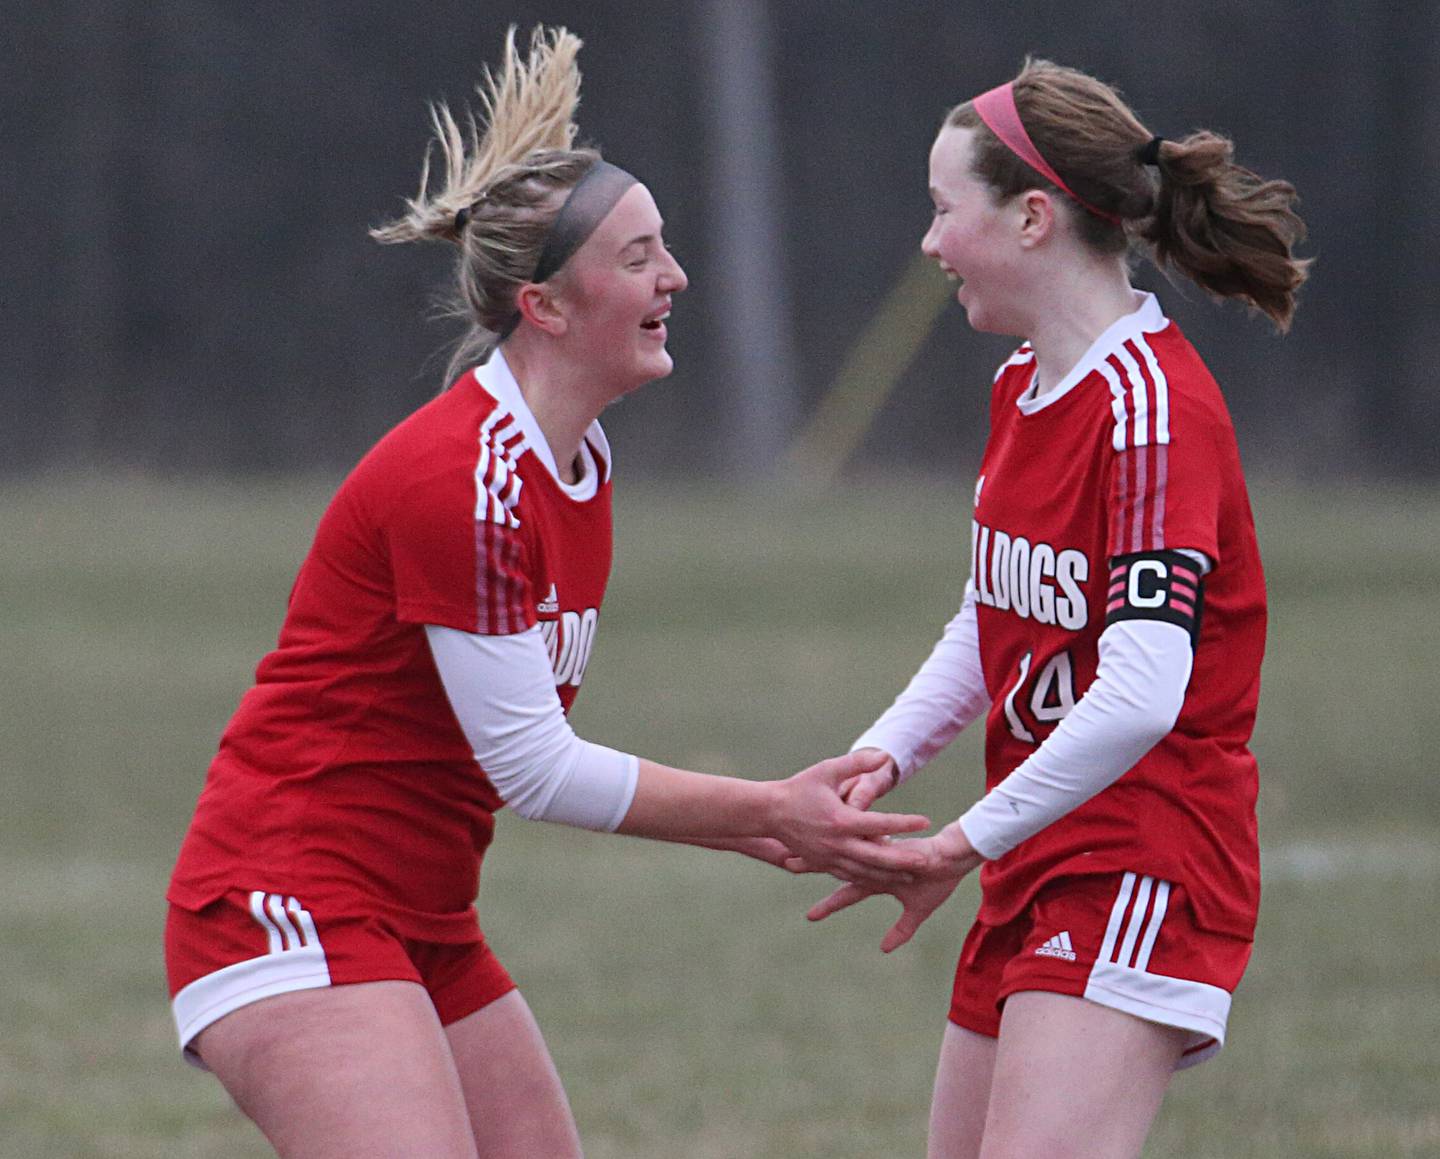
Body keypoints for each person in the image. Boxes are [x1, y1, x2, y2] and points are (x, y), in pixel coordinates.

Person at [163, 26, 929, 1159]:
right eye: (638, 256)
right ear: (547, 308)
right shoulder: (463, 479)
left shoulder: (574, 465)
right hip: (289, 902)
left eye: (664, 248)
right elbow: (534, 767)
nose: (674, 277)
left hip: (422, 918)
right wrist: (769, 815)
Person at [805, 58, 1308, 1159]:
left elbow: (1139, 694)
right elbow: (994, 617)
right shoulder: (1022, 385)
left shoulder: (1147, 410)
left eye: (946, 210)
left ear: (1033, 216)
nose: (931, 243)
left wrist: (959, 842)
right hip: (1037, 854)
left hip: (1141, 858)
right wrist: (880, 756)